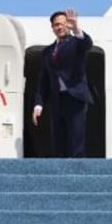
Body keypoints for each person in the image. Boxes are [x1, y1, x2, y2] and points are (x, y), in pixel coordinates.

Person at [33, 8, 93, 157]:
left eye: (62, 24)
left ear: (68, 24)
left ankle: (79, 172)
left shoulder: (76, 43)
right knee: (59, 138)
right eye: (56, 25)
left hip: (75, 96)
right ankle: (62, 172)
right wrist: (38, 104)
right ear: (52, 27)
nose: (59, 27)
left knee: (76, 138)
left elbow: (87, 44)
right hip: (57, 99)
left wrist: (77, 29)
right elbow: (44, 80)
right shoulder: (47, 51)